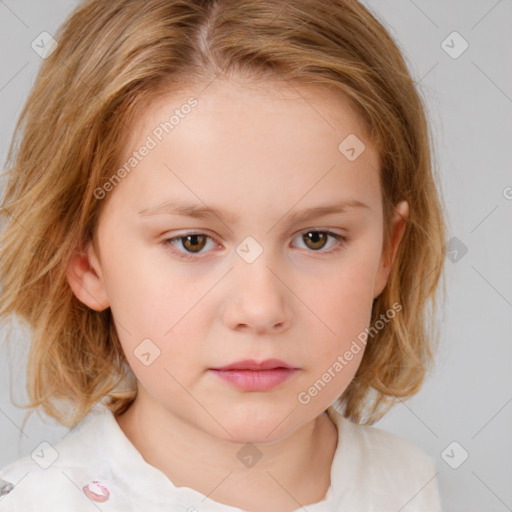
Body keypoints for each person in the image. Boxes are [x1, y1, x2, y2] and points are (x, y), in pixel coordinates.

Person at [0, 0, 447, 510]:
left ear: (389, 250)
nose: (260, 310)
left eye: (317, 238)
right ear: (84, 260)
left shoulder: (410, 484)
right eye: (192, 241)